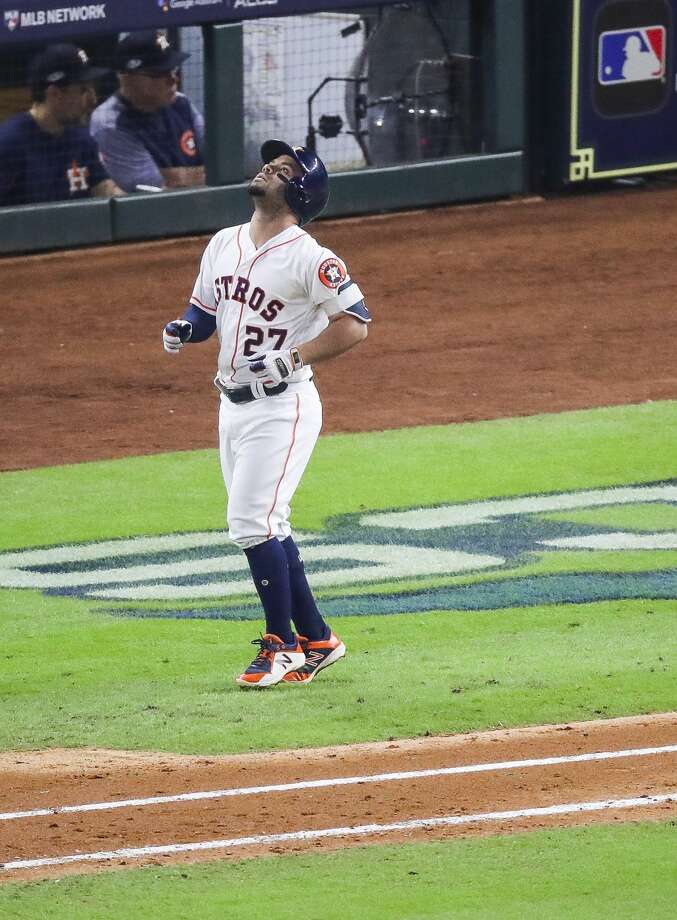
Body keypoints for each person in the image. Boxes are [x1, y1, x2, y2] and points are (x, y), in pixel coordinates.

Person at [162, 140, 371, 688]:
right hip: (230, 405)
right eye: (269, 164)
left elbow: (354, 323)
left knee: (251, 523)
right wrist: (186, 328)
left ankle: (282, 646)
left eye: (282, 171)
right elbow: (204, 312)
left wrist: (291, 356)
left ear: (300, 192)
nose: (268, 170)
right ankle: (319, 639)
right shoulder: (223, 243)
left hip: (284, 406)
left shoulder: (312, 257)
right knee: (268, 523)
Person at [0, 44, 120, 206]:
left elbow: (105, 191)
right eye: (83, 90)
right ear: (54, 94)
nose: (93, 100)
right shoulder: (9, 145)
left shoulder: (82, 140)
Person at [90, 31, 205, 193]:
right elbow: (154, 187)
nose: (174, 80)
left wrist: (177, 176)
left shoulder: (181, 103)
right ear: (128, 77)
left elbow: (220, 164)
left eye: (173, 70)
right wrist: (198, 174)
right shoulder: (109, 122)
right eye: (160, 73)